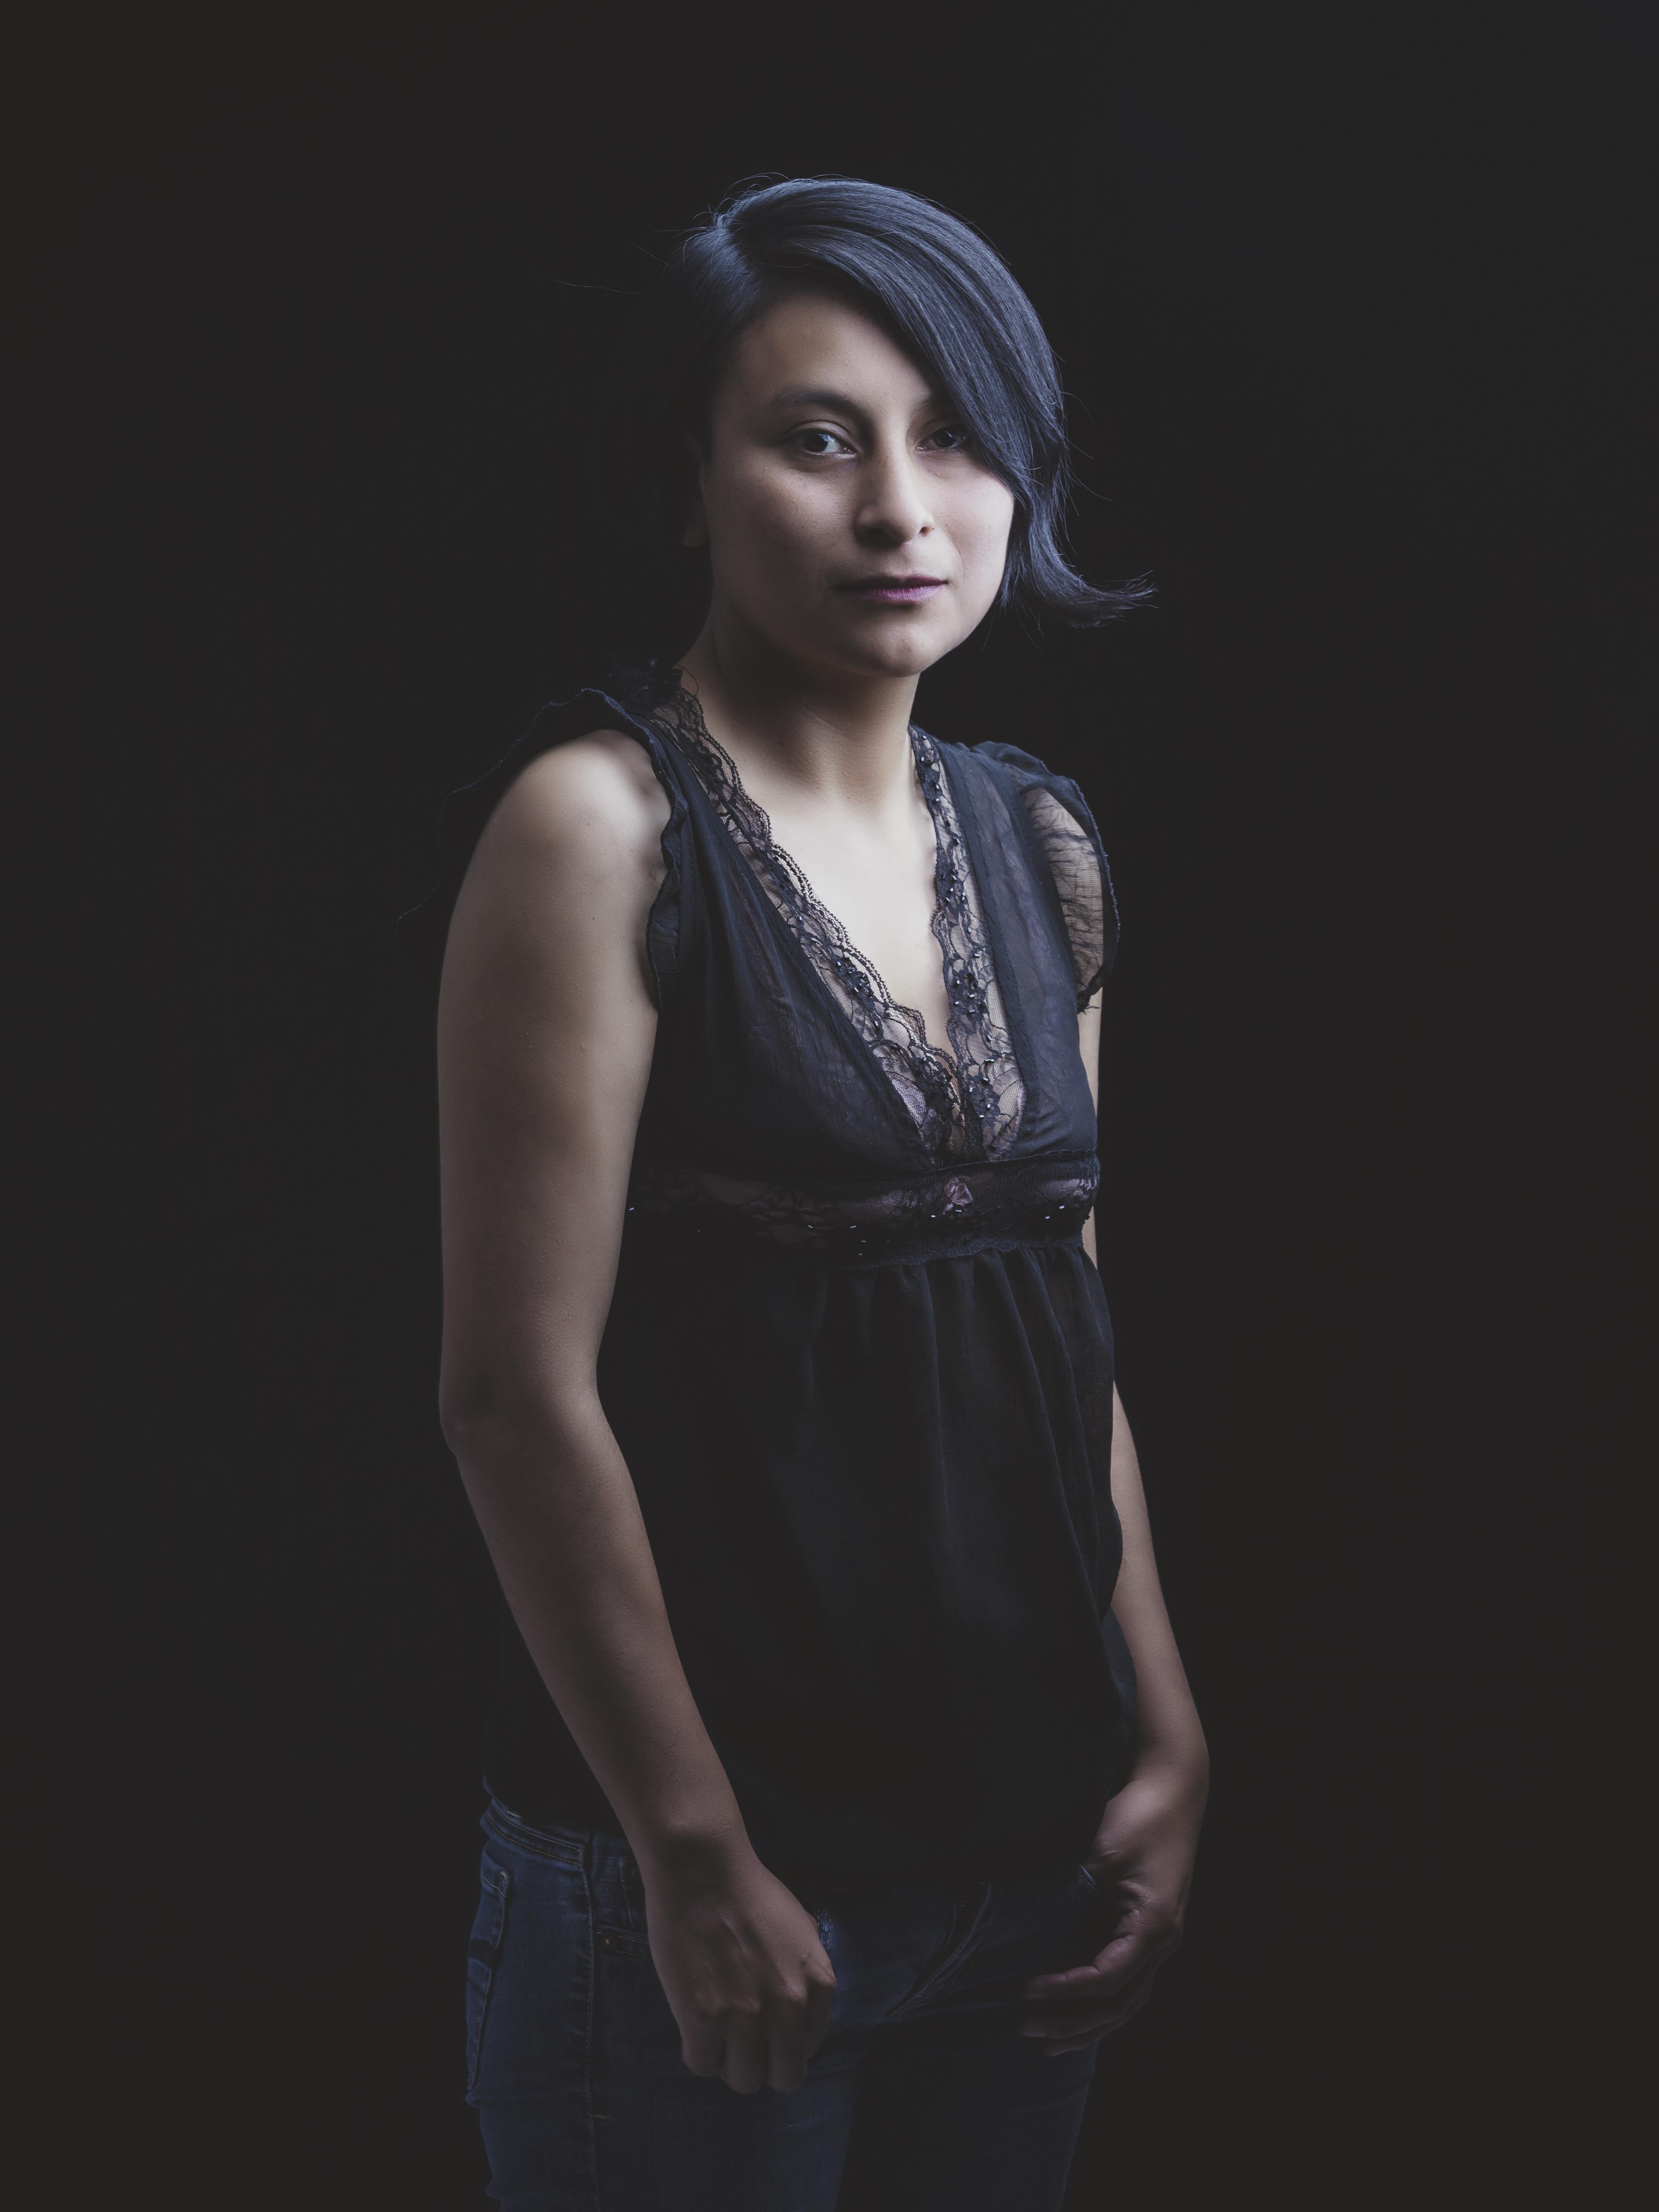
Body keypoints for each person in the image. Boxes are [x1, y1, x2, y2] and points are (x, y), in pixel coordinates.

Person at [400, 176, 1208, 2212]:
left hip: (1025, 1876)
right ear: (690, 478)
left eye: (959, 438)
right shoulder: (597, 830)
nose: (904, 508)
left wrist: (1166, 1728)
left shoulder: (1042, 846)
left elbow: (1066, 1331)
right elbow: (514, 1390)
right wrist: (688, 1848)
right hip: (714, 1892)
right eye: (820, 434)